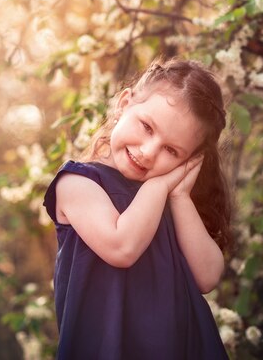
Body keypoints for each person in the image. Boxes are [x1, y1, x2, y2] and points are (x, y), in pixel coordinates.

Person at [43, 58, 232, 359]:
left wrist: (180, 195)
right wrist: (159, 187)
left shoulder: (171, 201)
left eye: (171, 151)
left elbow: (208, 276)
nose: (148, 152)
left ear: (189, 162)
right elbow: (122, 246)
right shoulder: (77, 183)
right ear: (124, 104)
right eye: (146, 127)